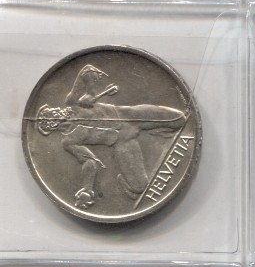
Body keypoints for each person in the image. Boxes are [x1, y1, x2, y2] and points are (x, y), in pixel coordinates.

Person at [37, 63, 187, 209]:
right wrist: (87, 189)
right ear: (52, 127)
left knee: (179, 119)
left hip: (128, 115)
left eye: (54, 111)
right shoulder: (69, 141)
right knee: (139, 188)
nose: (58, 112)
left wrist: (90, 92)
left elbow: (87, 70)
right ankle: (125, 178)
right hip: (122, 141)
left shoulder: (72, 102)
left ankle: (158, 131)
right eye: (52, 117)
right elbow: (89, 161)